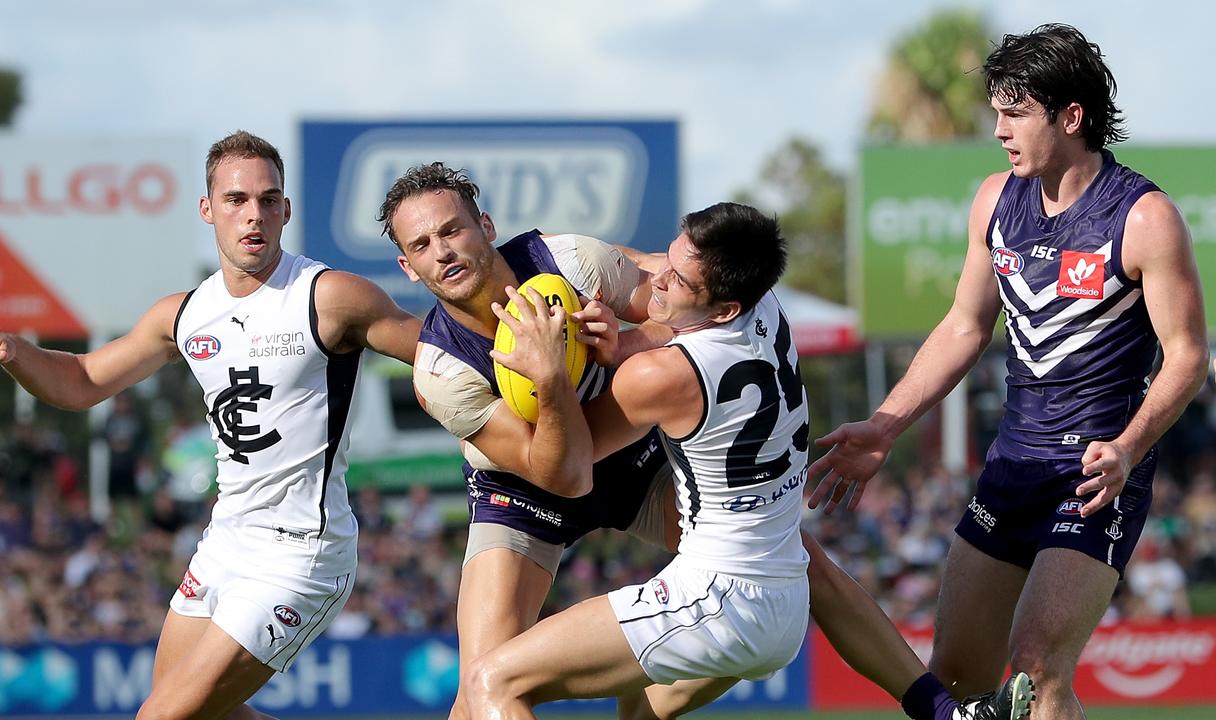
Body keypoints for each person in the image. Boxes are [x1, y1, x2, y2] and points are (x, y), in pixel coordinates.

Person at [462, 203, 1031, 720]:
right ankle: (945, 713)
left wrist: (549, 374)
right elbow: (682, 335)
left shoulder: (656, 377)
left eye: (679, 280)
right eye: (672, 256)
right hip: (782, 601)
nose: (658, 278)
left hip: (714, 600)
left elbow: (574, 462)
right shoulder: (768, 307)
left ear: (723, 304)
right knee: (637, 710)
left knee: (493, 681)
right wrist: (630, 341)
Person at [807, 24, 1208, 720]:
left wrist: (1128, 448)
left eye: (1015, 111)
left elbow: (1189, 357)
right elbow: (965, 327)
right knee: (955, 685)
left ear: (1071, 117)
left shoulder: (1144, 219)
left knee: (1036, 673)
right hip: (1010, 469)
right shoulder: (996, 200)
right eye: (997, 110)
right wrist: (883, 424)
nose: (998, 129)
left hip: (1094, 478)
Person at [0, 131, 421, 720]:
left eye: (269, 199)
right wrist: (16, 352)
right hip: (224, 543)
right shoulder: (184, 314)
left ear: (287, 210)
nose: (254, 214)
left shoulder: (329, 296)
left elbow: (435, 351)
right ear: (207, 209)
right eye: (236, 199)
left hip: (302, 552)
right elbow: (83, 381)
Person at [379, 163, 677, 720]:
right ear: (409, 268)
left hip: (639, 462)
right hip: (523, 493)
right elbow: (563, 477)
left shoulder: (568, 260)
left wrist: (632, 340)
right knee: (477, 687)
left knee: (770, 566)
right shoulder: (439, 369)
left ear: (486, 226)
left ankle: (642, 704)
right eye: (421, 245)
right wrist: (550, 377)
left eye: (451, 230)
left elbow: (687, 316)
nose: (441, 251)